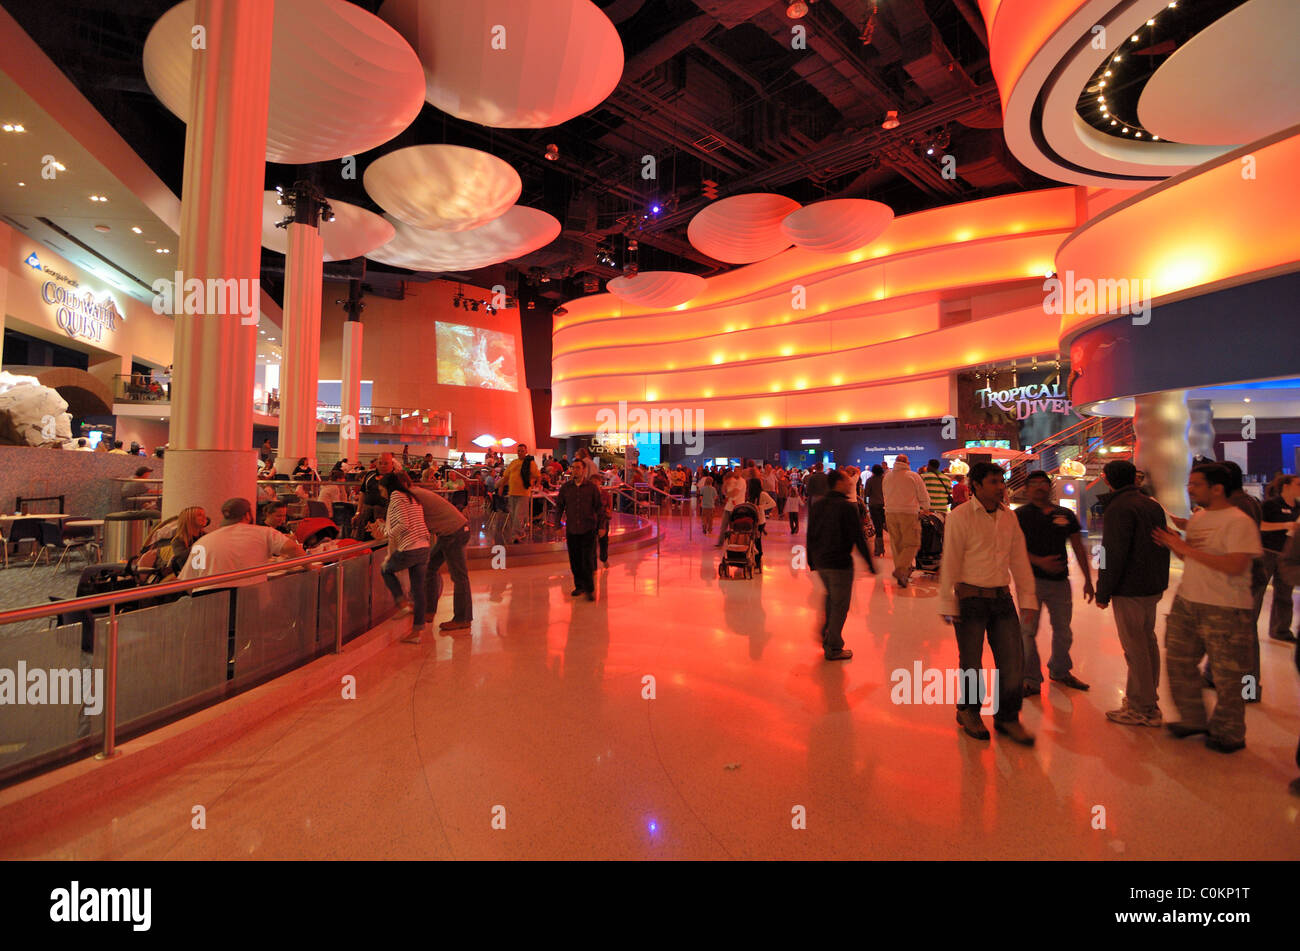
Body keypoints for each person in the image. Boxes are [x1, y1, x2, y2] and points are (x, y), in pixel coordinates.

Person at [1154, 464, 1262, 752]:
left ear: (1217, 489)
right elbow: (1194, 558)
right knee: (1178, 661)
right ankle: (1193, 719)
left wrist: (1184, 548)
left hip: (1226, 607)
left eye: (1196, 484)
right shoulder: (1200, 518)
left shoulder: (1239, 522)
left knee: (1228, 675)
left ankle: (1230, 733)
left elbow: (1235, 565)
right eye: (1190, 483)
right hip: (1188, 601)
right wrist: (1172, 543)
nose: (1189, 488)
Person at [937, 461, 1038, 745]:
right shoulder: (960, 516)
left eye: (1001, 482)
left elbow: (1018, 559)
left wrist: (1028, 598)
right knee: (971, 662)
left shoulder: (1009, 517)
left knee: (1013, 661)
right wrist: (947, 602)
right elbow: (952, 560)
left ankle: (1008, 718)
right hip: (970, 600)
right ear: (976, 486)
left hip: (1002, 598)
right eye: (993, 482)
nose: (1000, 487)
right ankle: (969, 711)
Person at [1093, 459, 1170, 727]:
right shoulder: (1151, 505)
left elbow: (1110, 553)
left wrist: (1103, 591)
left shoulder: (1119, 508)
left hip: (1130, 587)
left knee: (1135, 647)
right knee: (1146, 642)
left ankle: (1142, 707)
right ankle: (1147, 699)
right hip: (1151, 585)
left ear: (1106, 479)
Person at [1016, 471, 1094, 696]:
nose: (1040, 487)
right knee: (1027, 632)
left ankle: (1060, 670)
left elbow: (1079, 547)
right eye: (1034, 483)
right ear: (1026, 489)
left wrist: (1089, 580)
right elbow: (1012, 548)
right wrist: (1039, 561)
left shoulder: (1065, 514)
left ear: (1050, 487)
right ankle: (1030, 678)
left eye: (1044, 483)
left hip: (1060, 584)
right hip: (1030, 584)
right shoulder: (1019, 516)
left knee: (1064, 630)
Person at [807, 469, 876, 661]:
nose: (850, 484)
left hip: (821, 561)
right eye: (847, 481)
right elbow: (858, 538)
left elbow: (810, 533)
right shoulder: (846, 507)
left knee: (831, 597)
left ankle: (826, 631)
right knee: (840, 605)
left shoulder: (818, 505)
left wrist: (811, 560)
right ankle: (834, 647)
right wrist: (870, 563)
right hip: (839, 563)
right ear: (838, 483)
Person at [179, 497, 304, 588]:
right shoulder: (264, 532)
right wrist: (313, 568)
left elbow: (189, 580)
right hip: (248, 597)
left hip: (208, 603)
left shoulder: (202, 542)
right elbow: (293, 548)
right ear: (247, 515)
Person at [405, 475, 474, 634]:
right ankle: (429, 610)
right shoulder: (415, 493)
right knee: (430, 568)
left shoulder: (413, 497)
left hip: (454, 533)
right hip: (450, 532)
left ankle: (463, 618)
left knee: (459, 576)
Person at [555, 460, 606, 601]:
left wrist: (602, 526)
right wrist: (557, 525)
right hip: (572, 529)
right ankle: (579, 586)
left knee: (587, 560)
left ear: (584, 470)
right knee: (575, 560)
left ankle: (589, 588)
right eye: (573, 468)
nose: (575, 470)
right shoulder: (566, 488)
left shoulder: (591, 488)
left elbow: (599, 508)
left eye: (578, 468)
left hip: (588, 529)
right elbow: (559, 507)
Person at [1259, 474, 1300, 642]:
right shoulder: (1270, 505)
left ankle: (1281, 630)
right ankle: (1246, 627)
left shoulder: (1298, 507)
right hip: (1266, 553)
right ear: (1286, 486)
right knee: (1257, 592)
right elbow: (1259, 525)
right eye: (1298, 484)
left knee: (1284, 594)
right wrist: (1284, 525)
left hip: (1286, 556)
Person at [882, 453, 931, 587]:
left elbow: (885, 494)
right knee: (912, 543)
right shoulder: (913, 476)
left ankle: (902, 575)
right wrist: (926, 508)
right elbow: (923, 495)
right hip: (908, 513)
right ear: (907, 463)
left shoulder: (887, 476)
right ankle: (901, 569)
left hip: (890, 513)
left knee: (897, 544)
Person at [503, 443, 541, 543]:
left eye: (522, 451)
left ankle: (516, 535)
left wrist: (537, 484)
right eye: (518, 451)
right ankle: (519, 533)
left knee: (518, 516)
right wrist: (500, 486)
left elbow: (537, 475)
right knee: (513, 515)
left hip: (523, 493)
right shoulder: (513, 462)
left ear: (526, 451)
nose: (520, 453)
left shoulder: (530, 463)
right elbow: (506, 476)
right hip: (512, 493)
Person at [353, 452, 394, 540]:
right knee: (363, 539)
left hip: (385, 515)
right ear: (376, 463)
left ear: (392, 464)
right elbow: (363, 493)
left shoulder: (396, 477)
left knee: (381, 543)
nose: (383, 466)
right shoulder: (369, 474)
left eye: (386, 463)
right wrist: (358, 512)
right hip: (366, 513)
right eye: (380, 463)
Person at [745, 477, 777, 571]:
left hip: (760, 521)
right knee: (752, 540)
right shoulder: (750, 495)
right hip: (751, 520)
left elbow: (773, 503)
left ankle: (758, 559)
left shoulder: (762, 494)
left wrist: (761, 507)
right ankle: (753, 558)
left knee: (757, 541)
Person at [864, 464, 886, 557]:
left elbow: (867, 493)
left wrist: (865, 503)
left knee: (878, 528)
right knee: (886, 526)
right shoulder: (885, 480)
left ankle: (879, 550)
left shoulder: (870, 480)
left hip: (873, 505)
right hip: (884, 505)